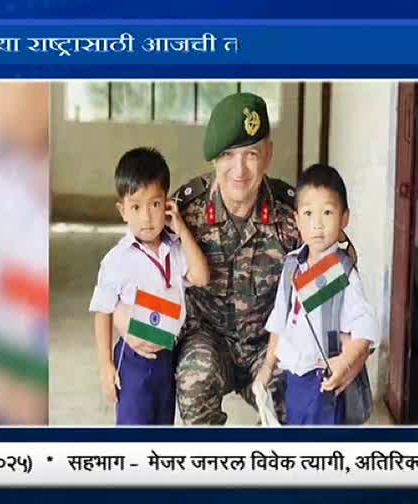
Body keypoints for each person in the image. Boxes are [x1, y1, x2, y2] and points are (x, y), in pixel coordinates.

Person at [121, 92, 301, 425]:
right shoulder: (184, 209)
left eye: (251, 154)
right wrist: (129, 324)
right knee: (194, 377)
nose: (239, 169)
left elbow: (338, 262)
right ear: (214, 159)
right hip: (205, 339)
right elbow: (134, 263)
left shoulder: (294, 212)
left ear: (268, 155)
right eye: (228, 155)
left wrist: (347, 342)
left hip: (269, 342)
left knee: (301, 390)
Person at [88, 147, 210, 425]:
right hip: (133, 363)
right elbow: (102, 311)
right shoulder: (117, 260)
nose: (146, 217)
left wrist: (181, 229)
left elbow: (201, 277)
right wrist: (106, 365)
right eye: (136, 207)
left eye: (155, 205)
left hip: (166, 359)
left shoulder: (176, 249)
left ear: (167, 204)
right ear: (123, 211)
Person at [256, 164, 378, 424]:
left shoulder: (343, 272)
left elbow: (365, 329)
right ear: (297, 219)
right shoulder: (292, 265)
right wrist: (268, 366)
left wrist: (344, 364)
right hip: (294, 377)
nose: (318, 224)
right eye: (309, 213)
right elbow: (281, 318)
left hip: (324, 381)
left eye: (328, 212)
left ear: (345, 218)